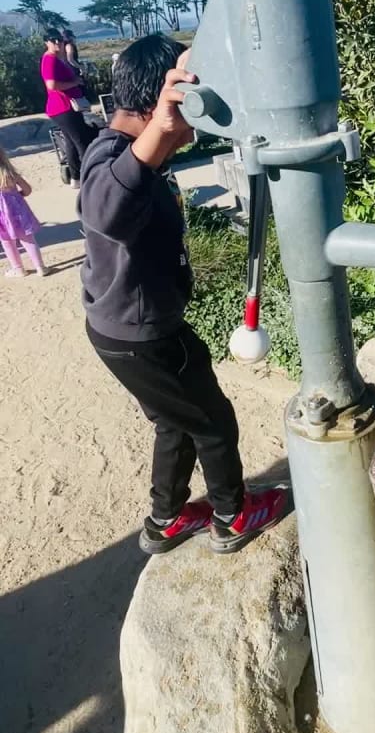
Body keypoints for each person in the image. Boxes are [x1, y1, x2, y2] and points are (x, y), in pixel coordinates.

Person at [79, 33, 289, 556]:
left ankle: (166, 518)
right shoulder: (113, 157)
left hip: (126, 329)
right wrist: (159, 135)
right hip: (144, 337)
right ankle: (232, 514)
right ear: (159, 103)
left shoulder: (132, 153)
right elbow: (104, 210)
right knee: (213, 421)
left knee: (175, 420)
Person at [40, 30, 98, 188]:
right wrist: (75, 83)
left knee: (71, 143)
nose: (57, 42)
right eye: (53, 40)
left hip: (65, 106)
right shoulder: (49, 60)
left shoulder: (57, 58)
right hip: (62, 107)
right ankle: (91, 177)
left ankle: (76, 177)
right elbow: (51, 85)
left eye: (59, 39)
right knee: (82, 140)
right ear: (47, 42)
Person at [0, 146, 46, 277]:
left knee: (7, 242)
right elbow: (28, 190)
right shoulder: (11, 174)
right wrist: (17, 195)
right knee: (28, 239)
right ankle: (40, 267)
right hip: (18, 213)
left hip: (1, 218)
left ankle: (18, 269)